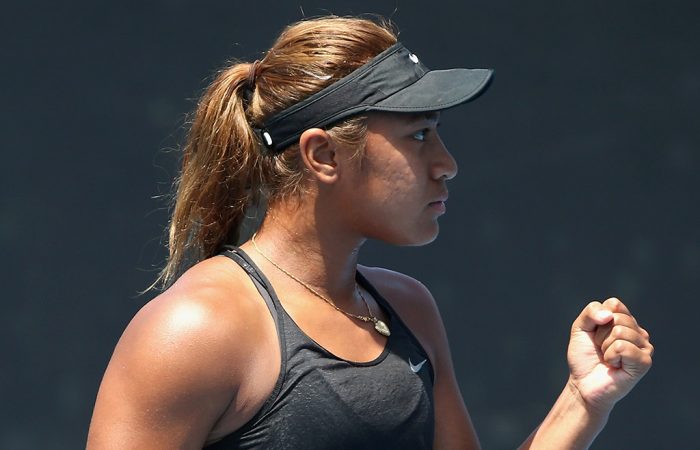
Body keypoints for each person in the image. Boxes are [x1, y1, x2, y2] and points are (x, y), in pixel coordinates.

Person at [87, 15, 653, 449]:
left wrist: (584, 398)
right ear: (323, 154)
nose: (446, 163)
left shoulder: (410, 308)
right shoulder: (195, 331)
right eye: (418, 136)